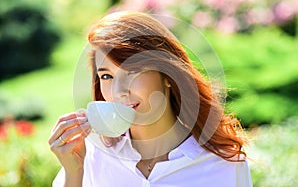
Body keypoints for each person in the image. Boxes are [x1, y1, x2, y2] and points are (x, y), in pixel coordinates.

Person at [48, 11, 252, 187]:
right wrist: (73, 174)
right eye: (107, 76)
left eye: (133, 71)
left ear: (168, 76)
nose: (119, 91)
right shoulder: (91, 157)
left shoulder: (224, 165)